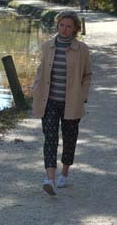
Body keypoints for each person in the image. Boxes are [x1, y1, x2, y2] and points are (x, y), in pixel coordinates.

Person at [31, 11, 92, 196]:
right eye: (61, 25)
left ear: (75, 29)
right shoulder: (47, 46)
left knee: (69, 138)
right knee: (49, 138)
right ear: (57, 26)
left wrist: (82, 95)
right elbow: (41, 71)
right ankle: (49, 178)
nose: (64, 30)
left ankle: (63, 175)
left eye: (69, 26)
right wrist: (35, 89)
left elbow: (87, 75)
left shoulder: (82, 49)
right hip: (48, 100)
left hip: (71, 102)